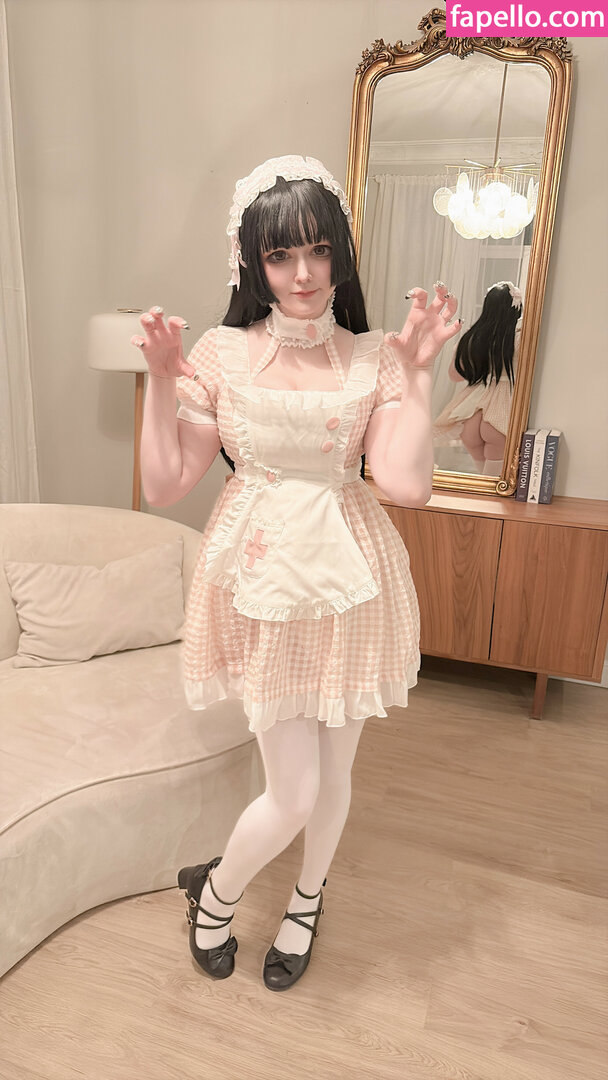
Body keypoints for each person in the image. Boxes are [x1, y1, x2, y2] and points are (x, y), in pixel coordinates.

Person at [134, 155, 462, 992]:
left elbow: (406, 485)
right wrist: (160, 383)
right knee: (293, 790)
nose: (305, 273)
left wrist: (420, 377)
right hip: (262, 580)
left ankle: (306, 901)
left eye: (319, 249)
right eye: (281, 255)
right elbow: (166, 484)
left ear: (340, 251)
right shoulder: (222, 353)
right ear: (252, 261)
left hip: (351, 576)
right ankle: (216, 894)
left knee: (334, 774)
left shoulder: (372, 356)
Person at [432, 281, 523, 475]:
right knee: (492, 484)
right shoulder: (518, 337)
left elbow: (455, 375)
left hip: (472, 412)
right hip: (499, 413)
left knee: (481, 481)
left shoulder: (473, 336)